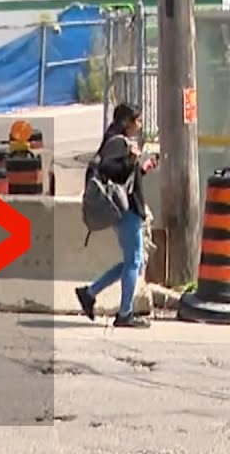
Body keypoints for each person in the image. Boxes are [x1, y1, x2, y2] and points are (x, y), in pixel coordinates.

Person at [75, 104, 158, 329]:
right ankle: (125, 314)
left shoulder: (116, 140)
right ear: (127, 122)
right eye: (137, 121)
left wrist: (141, 168)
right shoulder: (117, 142)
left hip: (125, 207)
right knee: (134, 261)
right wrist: (131, 160)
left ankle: (90, 293)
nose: (139, 125)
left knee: (131, 261)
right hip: (126, 209)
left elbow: (124, 177)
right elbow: (112, 172)